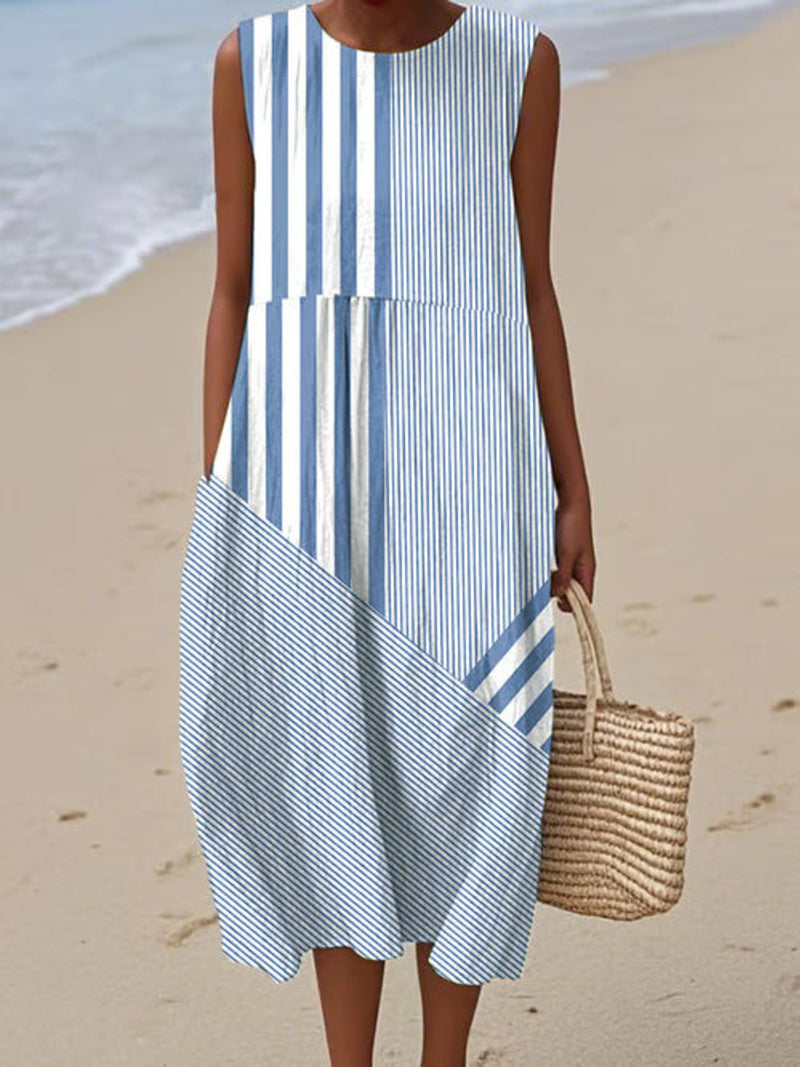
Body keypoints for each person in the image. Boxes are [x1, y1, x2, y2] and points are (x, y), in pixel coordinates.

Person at [179, 3, 595, 1065]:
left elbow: (534, 289)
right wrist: (220, 480)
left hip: (470, 469)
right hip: (290, 479)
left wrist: (572, 485)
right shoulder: (251, 61)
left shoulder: (515, 62)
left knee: (475, 757)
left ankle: (443, 1057)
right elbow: (230, 287)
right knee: (332, 764)